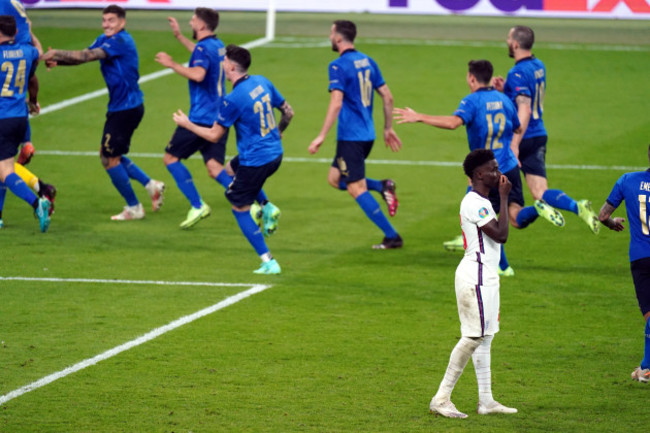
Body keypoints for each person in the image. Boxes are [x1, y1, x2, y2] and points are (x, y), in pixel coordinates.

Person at [394, 60, 563, 276]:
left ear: (472, 78)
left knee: (478, 219)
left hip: (486, 173)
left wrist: (419, 117)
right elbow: (519, 127)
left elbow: (453, 123)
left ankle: (501, 266)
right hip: (509, 166)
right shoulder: (504, 99)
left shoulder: (472, 101)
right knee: (515, 216)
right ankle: (537, 209)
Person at [172, 44, 294, 274]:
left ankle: (268, 261)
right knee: (228, 169)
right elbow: (288, 112)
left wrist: (188, 124)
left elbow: (214, 134)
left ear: (230, 66)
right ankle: (267, 207)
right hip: (275, 153)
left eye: (224, 61)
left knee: (239, 207)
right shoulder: (262, 81)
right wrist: (278, 131)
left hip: (256, 160)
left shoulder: (233, 99)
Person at [40, 5, 164, 221]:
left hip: (126, 108)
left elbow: (87, 56)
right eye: (104, 20)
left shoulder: (121, 41)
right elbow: (81, 57)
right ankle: (151, 185)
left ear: (122, 22)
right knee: (109, 153)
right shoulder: (105, 38)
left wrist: (56, 52)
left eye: (111, 21)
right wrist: (58, 61)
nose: (106, 24)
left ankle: (134, 207)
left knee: (108, 159)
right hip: (124, 106)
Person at [429, 149, 517, 418]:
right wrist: (504, 197)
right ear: (478, 174)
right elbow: (501, 235)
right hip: (474, 277)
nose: (498, 173)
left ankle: (486, 401)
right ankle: (441, 397)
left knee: (486, 337)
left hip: (487, 277)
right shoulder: (474, 203)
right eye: (493, 169)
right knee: (473, 336)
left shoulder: (482, 201)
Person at [492, 25, 599, 234]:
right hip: (539, 134)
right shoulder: (538, 65)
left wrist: (514, 143)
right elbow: (529, 96)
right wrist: (506, 88)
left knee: (490, 191)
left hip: (521, 138)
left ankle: (475, 239)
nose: (506, 41)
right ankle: (577, 206)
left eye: (508, 38)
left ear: (515, 43)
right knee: (541, 192)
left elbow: (523, 107)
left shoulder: (517, 72)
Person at [308, 20, 403, 250]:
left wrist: (321, 135)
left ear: (339, 38)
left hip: (351, 137)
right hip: (367, 134)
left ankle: (392, 236)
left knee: (355, 188)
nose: (330, 36)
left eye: (331, 33)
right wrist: (388, 128)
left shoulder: (337, 66)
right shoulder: (368, 61)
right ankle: (382, 186)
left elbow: (336, 102)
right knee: (334, 179)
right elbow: (387, 97)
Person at [598, 144, 650, 383]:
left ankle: (646, 367)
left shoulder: (627, 180)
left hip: (640, 257)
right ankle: (646, 366)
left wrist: (611, 223)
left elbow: (603, 216)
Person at [0, 15, 50, 232]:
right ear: (17, 32)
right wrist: (31, 32)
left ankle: (38, 202)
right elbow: (39, 50)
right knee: (3, 167)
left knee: (6, 171)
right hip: (20, 118)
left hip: (2, 117)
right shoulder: (27, 51)